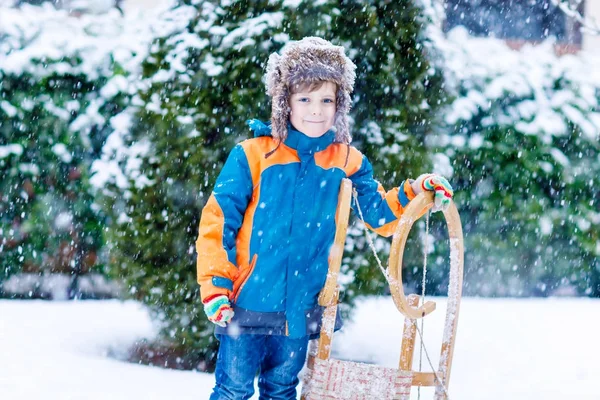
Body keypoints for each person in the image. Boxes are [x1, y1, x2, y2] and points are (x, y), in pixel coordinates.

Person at [195, 36, 454, 400]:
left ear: (339, 105)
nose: (316, 110)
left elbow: (380, 216)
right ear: (284, 102)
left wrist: (416, 194)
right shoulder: (252, 156)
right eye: (304, 98)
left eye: (326, 100)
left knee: (282, 388)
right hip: (246, 301)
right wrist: (216, 287)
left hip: (300, 307)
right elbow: (217, 223)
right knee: (233, 389)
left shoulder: (347, 161)